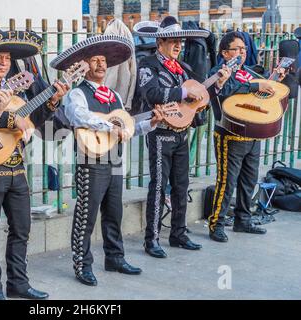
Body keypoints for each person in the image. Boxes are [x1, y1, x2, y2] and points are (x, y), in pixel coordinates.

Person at [0, 30, 69, 300]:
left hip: (17, 167)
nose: (4, 62)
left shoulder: (15, 87)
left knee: (21, 228)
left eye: (6, 58)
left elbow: (31, 122)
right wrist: (3, 116)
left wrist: (52, 100)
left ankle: (18, 282)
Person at [51, 34, 163, 286]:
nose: (101, 65)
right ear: (85, 65)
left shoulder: (114, 96)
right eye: (95, 60)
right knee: (86, 216)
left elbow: (127, 127)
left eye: (103, 61)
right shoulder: (77, 94)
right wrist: (108, 126)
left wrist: (150, 124)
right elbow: (78, 117)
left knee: (114, 213)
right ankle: (82, 264)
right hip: (90, 161)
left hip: (114, 160)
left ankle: (115, 257)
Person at [137, 16, 213, 258]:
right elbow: (152, 93)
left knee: (182, 186)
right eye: (172, 41)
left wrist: (214, 88)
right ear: (160, 43)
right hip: (160, 134)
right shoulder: (148, 65)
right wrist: (182, 91)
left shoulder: (183, 69)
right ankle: (152, 239)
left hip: (181, 133)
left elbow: (198, 99)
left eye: (180, 41)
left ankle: (178, 233)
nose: (178, 45)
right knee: (158, 187)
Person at [207, 31, 286, 242]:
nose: (242, 52)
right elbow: (226, 90)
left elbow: (262, 93)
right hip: (230, 133)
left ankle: (243, 219)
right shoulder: (219, 71)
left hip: (253, 134)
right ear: (225, 53)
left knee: (248, 180)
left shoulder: (249, 72)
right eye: (237, 49)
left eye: (244, 48)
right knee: (227, 181)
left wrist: (274, 79)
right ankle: (217, 223)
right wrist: (254, 86)